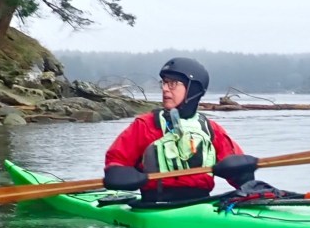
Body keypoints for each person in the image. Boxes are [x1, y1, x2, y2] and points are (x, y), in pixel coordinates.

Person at [103, 57, 256, 202]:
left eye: (173, 84)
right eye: (163, 83)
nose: (164, 89)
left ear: (193, 89)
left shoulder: (211, 130)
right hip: (154, 204)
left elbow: (238, 169)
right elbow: (117, 160)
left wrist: (242, 174)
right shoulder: (145, 125)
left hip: (200, 204)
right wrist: (118, 173)